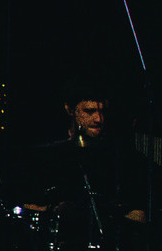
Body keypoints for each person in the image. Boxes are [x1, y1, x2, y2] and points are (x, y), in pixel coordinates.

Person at [19, 93, 149, 230]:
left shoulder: (122, 158)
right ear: (70, 110)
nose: (99, 119)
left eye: (102, 111)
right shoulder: (45, 155)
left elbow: (140, 215)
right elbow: (29, 205)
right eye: (89, 111)